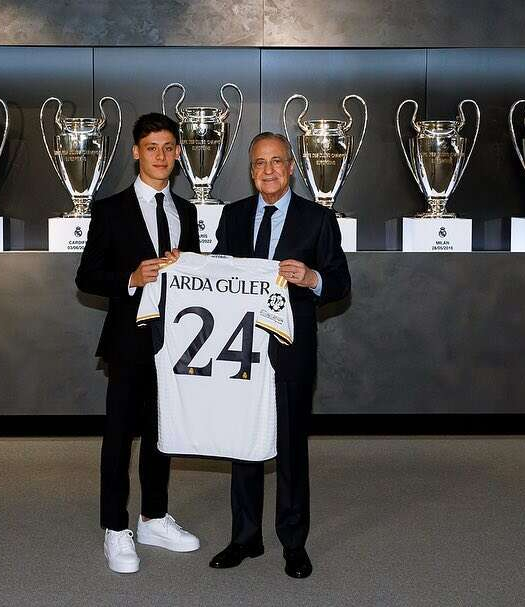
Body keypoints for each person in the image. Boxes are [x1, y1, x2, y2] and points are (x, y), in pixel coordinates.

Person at [209, 131, 351, 578]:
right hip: (241, 352)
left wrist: (312, 278)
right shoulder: (233, 216)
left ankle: (293, 543)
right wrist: (182, 267)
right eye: (259, 163)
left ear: (291, 168)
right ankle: (245, 538)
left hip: (291, 351)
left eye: (276, 162)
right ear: (251, 171)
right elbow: (215, 274)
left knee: (290, 449)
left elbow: (340, 282)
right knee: (243, 444)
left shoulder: (318, 219)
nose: (268, 170)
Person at [75, 112, 202, 574]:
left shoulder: (187, 211)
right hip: (128, 341)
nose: (161, 156)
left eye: (169, 148)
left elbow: (197, 278)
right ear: (136, 152)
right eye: (152, 148)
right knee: (119, 437)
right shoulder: (110, 209)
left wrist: (188, 265)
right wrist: (131, 277)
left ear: (178, 153)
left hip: (175, 343)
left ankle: (153, 518)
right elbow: (87, 276)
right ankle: (115, 527)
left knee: (162, 435)